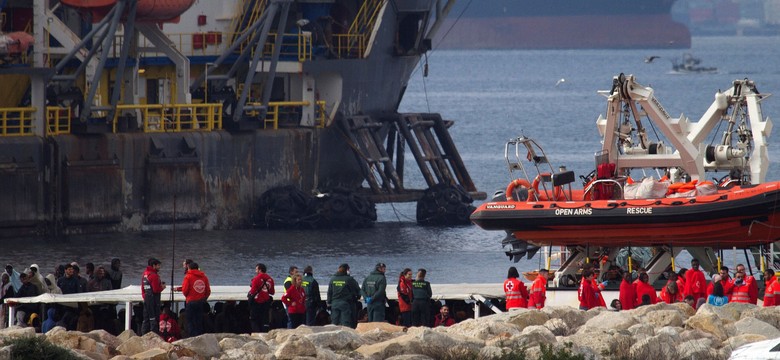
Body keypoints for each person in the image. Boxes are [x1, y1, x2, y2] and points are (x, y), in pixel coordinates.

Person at [181, 262, 210, 337]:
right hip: (200, 302)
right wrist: (204, 299)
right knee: (198, 321)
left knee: (190, 321)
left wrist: (188, 297)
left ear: (189, 268)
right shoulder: (204, 277)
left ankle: (191, 337)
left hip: (190, 302)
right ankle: (199, 337)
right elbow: (208, 291)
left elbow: (184, 290)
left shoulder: (188, 277)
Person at [327, 263, 360, 327]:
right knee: (345, 323)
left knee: (334, 322)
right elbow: (357, 290)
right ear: (347, 270)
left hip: (334, 304)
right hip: (345, 304)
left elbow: (329, 292)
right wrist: (357, 297)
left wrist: (329, 303)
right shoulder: (349, 279)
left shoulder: (333, 279)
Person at [141, 258, 166, 335]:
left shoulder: (145, 274)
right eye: (158, 265)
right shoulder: (154, 276)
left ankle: (144, 335)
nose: (159, 267)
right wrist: (162, 287)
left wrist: (144, 296)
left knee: (146, 320)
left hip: (147, 299)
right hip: (154, 300)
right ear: (154, 266)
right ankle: (154, 336)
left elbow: (142, 288)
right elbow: (155, 290)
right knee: (154, 319)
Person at [249, 263, 275, 333]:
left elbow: (252, 291)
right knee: (265, 320)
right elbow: (272, 292)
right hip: (266, 302)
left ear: (260, 270)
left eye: (256, 269)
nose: (255, 271)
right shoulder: (270, 279)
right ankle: (264, 333)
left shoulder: (256, 279)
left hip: (257, 302)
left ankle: (257, 334)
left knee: (254, 320)